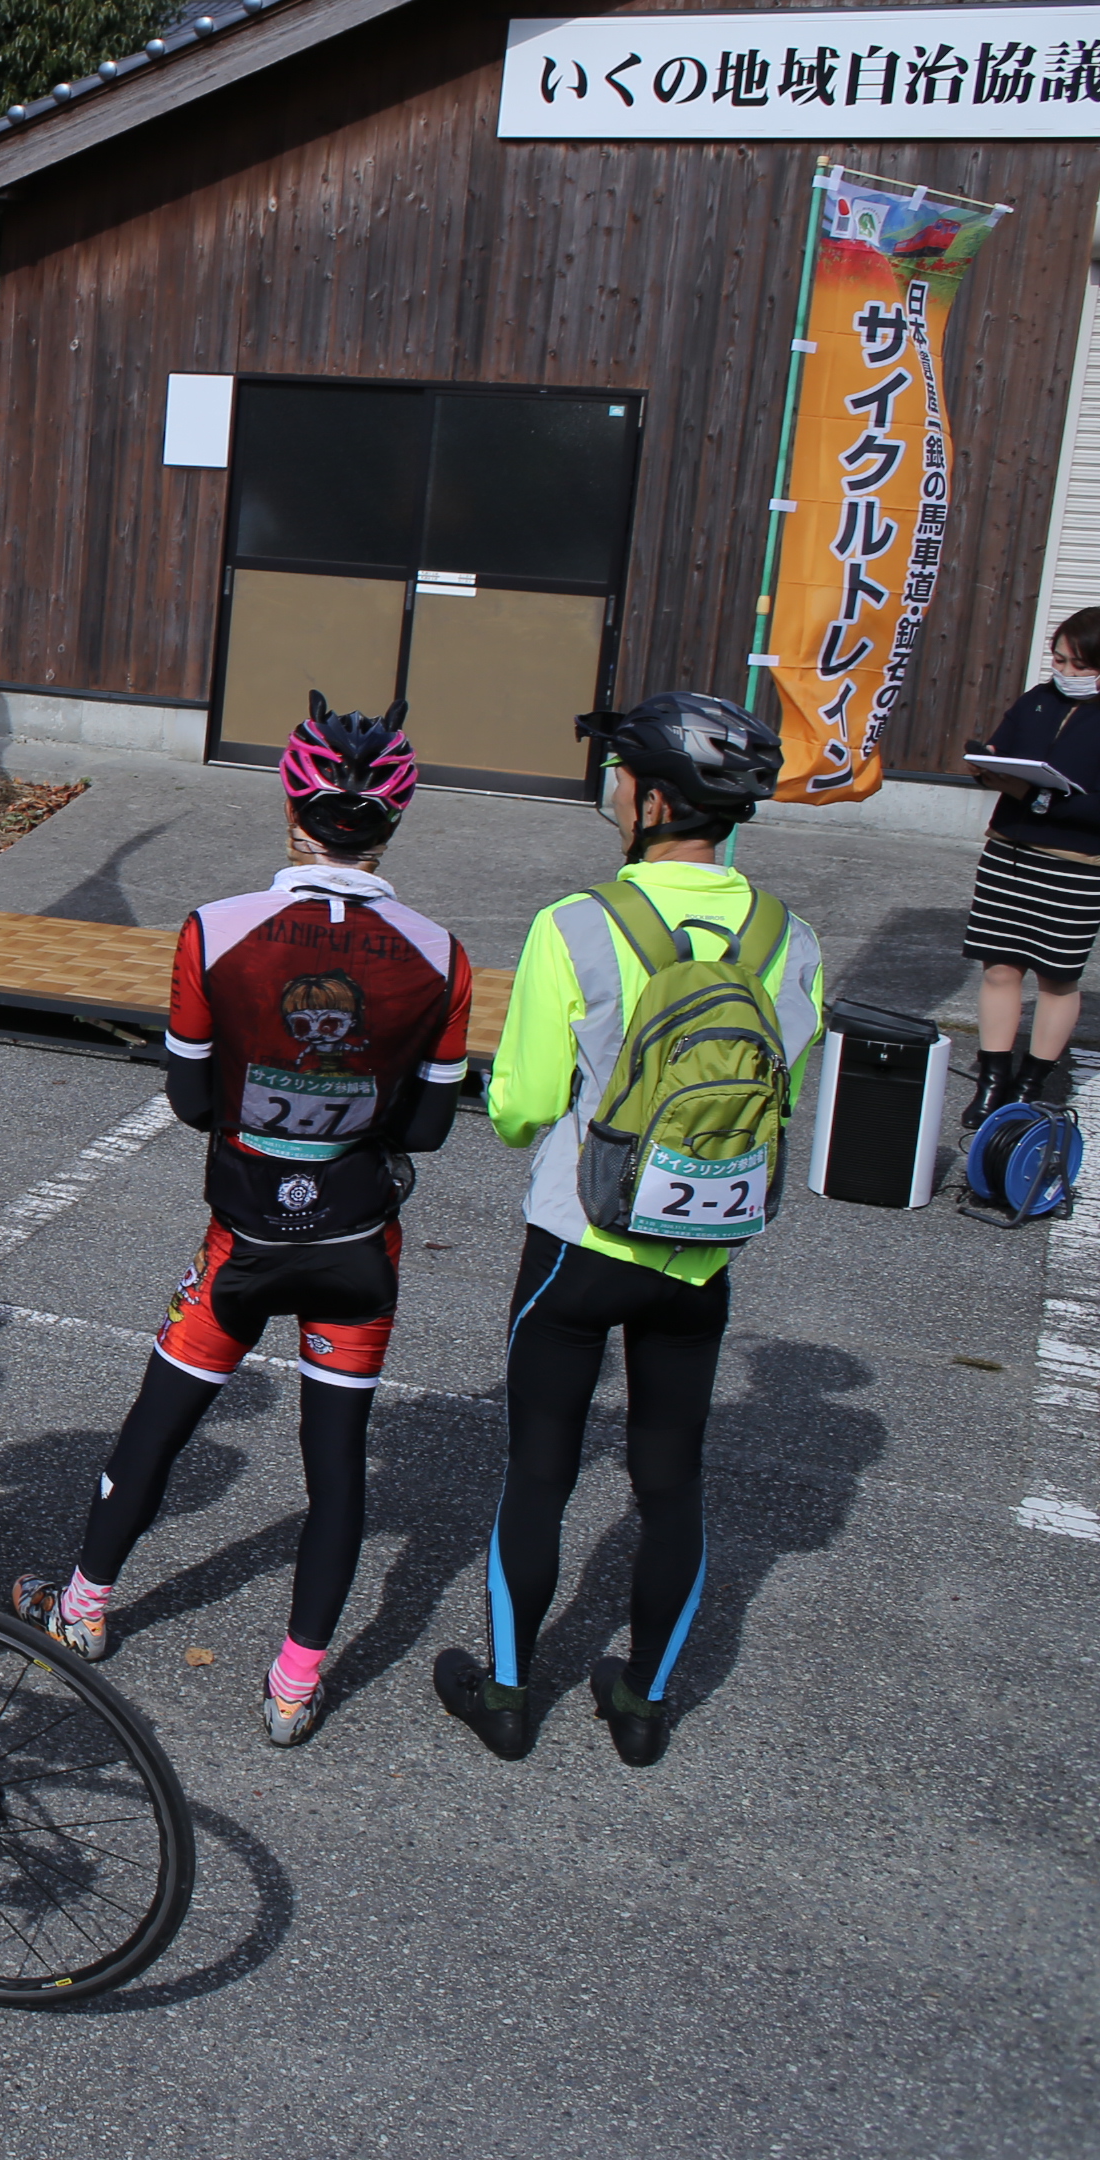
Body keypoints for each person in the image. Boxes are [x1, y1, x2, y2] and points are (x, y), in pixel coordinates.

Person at [12, 700, 471, 1748]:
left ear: (293, 804)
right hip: (359, 1241)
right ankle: (295, 1685)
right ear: (393, 818)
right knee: (338, 1462)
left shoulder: (216, 930)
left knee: (160, 1421)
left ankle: (83, 1606)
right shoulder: (443, 954)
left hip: (245, 1232)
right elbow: (436, 1124)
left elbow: (187, 1100)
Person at [437, 692, 824, 1770]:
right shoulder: (792, 938)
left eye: (621, 775)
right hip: (701, 1250)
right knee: (673, 1479)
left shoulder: (578, 922)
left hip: (577, 1237)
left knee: (541, 1469)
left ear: (654, 799)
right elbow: (789, 1091)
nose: (612, 790)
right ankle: (644, 1706)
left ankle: (510, 1694)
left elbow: (517, 1106)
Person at [958, 604, 1100, 1121]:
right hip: (1009, 852)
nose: (1065, 673)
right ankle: (992, 1077)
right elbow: (1005, 751)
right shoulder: (1037, 699)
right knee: (999, 967)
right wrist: (988, 764)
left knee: (1057, 976)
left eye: (1079, 665)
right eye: (1059, 660)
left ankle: (1033, 1082)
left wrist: (1048, 797)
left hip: (1078, 864)